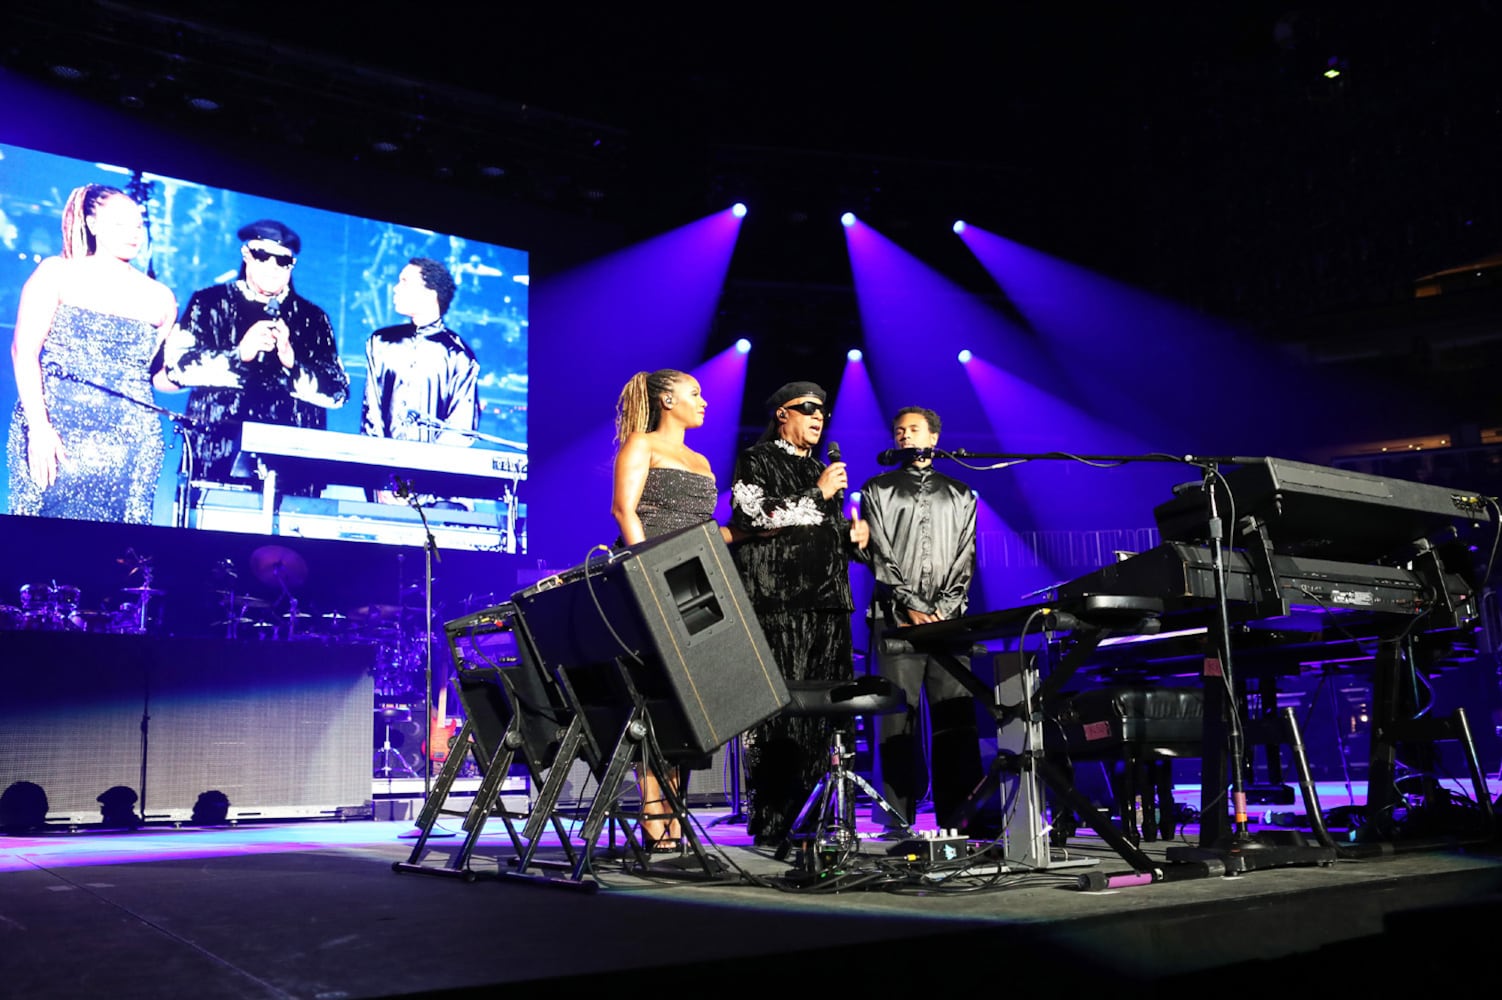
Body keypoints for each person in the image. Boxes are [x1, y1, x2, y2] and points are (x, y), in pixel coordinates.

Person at [728, 380, 869, 846]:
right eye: (806, 408)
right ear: (782, 415)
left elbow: (817, 538)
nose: (817, 416)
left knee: (826, 716)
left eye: (822, 410)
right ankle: (773, 823)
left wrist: (853, 540)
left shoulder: (819, 469)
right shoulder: (758, 459)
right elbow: (753, 517)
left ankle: (816, 820)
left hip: (828, 605)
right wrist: (819, 493)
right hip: (779, 605)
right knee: (781, 716)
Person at [7, 184, 178, 524]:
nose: (132, 234)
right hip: (56, 429)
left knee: (119, 551)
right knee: (38, 539)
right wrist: (40, 428)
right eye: (119, 224)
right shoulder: (57, 273)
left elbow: (157, 377)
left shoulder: (160, 296)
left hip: (132, 440)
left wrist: (211, 372)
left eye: (138, 225)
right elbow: (23, 351)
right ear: (92, 223)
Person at [610, 368, 728, 852]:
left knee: (687, 700)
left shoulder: (701, 460)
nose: (703, 402)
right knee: (654, 696)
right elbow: (624, 509)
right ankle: (653, 810)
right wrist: (647, 574)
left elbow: (707, 529)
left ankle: (676, 810)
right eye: (694, 394)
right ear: (665, 399)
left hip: (695, 586)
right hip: (650, 582)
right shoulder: (642, 443)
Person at [860, 406, 985, 833]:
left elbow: (965, 557)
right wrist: (911, 603)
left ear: (933, 437)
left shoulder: (962, 493)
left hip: (948, 624)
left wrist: (944, 611)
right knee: (897, 718)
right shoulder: (877, 489)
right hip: (897, 620)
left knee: (956, 715)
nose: (904, 436)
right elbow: (880, 554)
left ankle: (961, 816)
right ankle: (897, 816)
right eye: (898, 431)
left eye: (912, 429)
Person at [163, 219, 349, 484]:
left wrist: (292, 363)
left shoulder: (314, 318)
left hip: (293, 467)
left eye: (283, 261)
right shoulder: (208, 302)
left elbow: (338, 392)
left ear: (292, 266)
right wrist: (238, 355)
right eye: (263, 256)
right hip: (215, 459)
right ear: (246, 255)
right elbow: (176, 366)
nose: (273, 267)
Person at [361, 258, 480, 445]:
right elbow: (371, 412)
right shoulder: (381, 342)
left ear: (430, 293)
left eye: (404, 282)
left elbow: (461, 428)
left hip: (433, 469)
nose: (395, 288)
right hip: (381, 464)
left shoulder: (458, 355)